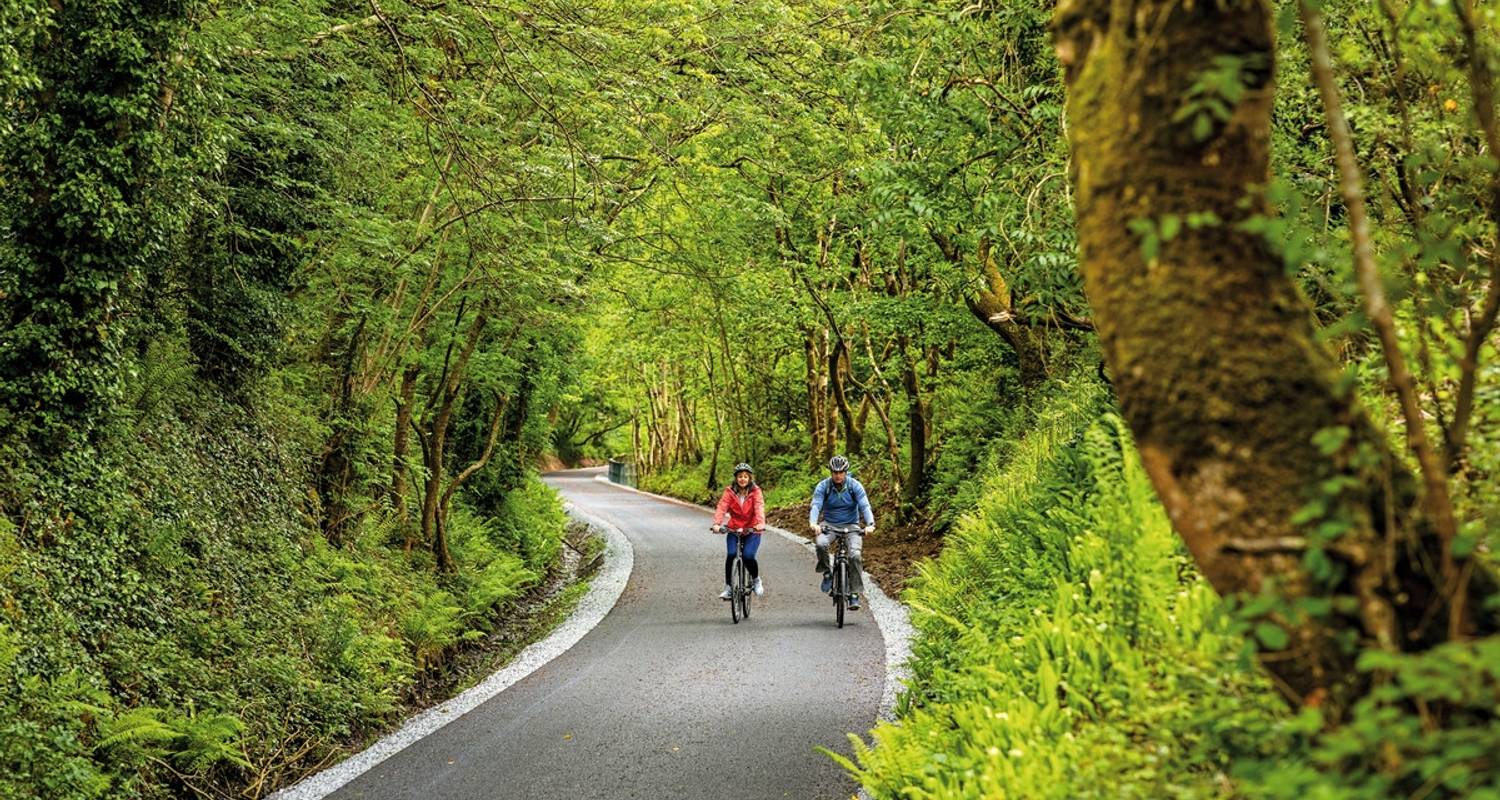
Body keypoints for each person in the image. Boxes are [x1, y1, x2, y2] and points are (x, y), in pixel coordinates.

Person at [808, 455, 874, 610]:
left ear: (846, 472)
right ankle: (826, 573)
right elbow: (816, 505)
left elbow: (864, 506)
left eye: (841, 472)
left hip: (851, 526)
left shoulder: (855, 486)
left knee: (855, 556)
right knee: (820, 543)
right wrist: (813, 523)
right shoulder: (823, 486)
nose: (838, 475)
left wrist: (870, 524)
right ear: (831, 472)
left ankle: (854, 594)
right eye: (835, 472)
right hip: (829, 524)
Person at [712, 462, 766, 600]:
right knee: (731, 555)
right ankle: (729, 588)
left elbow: (759, 507)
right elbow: (722, 506)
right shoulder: (729, 492)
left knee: (748, 556)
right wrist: (717, 523)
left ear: (749, 478)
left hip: (752, 529)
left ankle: (755, 580)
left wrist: (760, 523)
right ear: (736, 478)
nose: (743, 479)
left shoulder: (756, 491)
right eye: (740, 476)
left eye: (745, 476)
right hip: (734, 528)